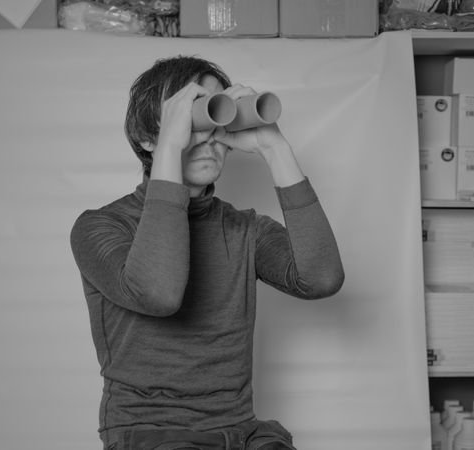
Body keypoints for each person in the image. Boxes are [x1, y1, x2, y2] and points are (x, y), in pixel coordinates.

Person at [70, 55, 345, 450]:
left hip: (241, 430)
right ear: (147, 138)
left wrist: (274, 147)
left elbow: (321, 278)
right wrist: (171, 145)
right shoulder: (100, 227)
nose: (207, 137)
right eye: (192, 119)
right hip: (151, 432)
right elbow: (159, 294)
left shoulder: (243, 228)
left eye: (216, 116)